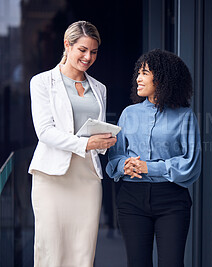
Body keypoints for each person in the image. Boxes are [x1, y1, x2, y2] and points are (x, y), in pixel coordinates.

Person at [28, 21, 117, 266]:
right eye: (82, 50)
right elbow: (45, 132)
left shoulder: (99, 88)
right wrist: (85, 144)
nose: (88, 57)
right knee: (50, 250)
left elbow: (94, 132)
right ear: (67, 45)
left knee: (83, 253)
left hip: (87, 178)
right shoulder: (42, 82)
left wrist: (103, 142)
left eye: (94, 52)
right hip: (51, 176)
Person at [106, 49, 201, 267]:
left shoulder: (185, 116)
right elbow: (115, 156)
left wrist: (149, 167)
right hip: (131, 198)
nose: (138, 78)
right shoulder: (128, 113)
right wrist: (124, 166)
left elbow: (191, 164)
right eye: (138, 73)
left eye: (145, 73)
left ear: (163, 78)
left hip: (171, 200)